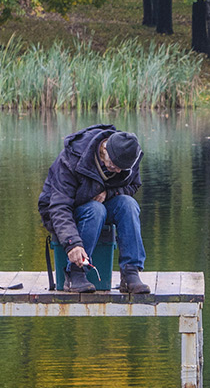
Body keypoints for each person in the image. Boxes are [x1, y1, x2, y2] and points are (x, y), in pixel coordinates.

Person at [38, 123, 150, 294]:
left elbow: (133, 185)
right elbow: (58, 206)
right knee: (95, 209)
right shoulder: (73, 158)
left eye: (122, 168)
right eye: (113, 165)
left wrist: (109, 192)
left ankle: (130, 273)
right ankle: (75, 273)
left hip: (99, 206)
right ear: (104, 148)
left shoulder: (128, 156)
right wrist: (72, 243)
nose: (118, 170)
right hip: (61, 212)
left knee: (128, 204)